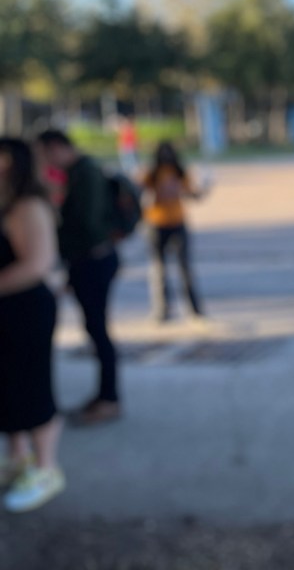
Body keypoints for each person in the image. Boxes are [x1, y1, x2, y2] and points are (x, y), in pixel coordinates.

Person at [36, 129, 122, 425]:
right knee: (95, 329)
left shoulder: (84, 174)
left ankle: (109, 398)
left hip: (93, 260)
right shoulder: (79, 172)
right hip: (88, 260)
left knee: (98, 330)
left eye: (46, 153)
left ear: (57, 147)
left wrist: (50, 225)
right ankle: (105, 396)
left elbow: (85, 222)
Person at [0, 138, 65, 512]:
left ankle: (46, 468)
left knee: (32, 386)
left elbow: (37, 265)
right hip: (7, 312)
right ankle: (18, 457)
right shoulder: (8, 205)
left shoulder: (27, 207)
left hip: (25, 312)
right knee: (9, 387)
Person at [140, 141, 207, 324]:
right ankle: (162, 309)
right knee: (158, 269)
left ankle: (194, 309)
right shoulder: (151, 173)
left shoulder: (180, 173)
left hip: (177, 222)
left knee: (185, 268)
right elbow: (139, 191)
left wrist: (204, 188)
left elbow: (193, 194)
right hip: (156, 223)